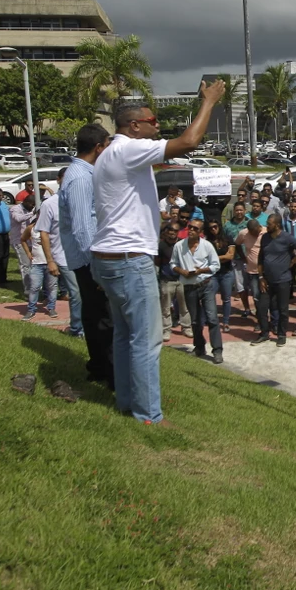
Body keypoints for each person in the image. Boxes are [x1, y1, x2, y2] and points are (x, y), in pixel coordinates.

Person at [90, 76, 225, 426]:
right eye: (153, 122)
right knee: (147, 341)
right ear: (134, 126)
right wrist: (208, 101)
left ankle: (125, 402)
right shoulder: (129, 149)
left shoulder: (108, 154)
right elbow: (190, 141)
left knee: (124, 334)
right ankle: (148, 416)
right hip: (129, 260)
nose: (158, 126)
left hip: (107, 258)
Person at [58, 122, 115, 387]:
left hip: (87, 259)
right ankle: (106, 372)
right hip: (88, 261)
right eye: (106, 147)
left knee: (95, 317)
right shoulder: (81, 178)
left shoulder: (82, 173)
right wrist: (97, 269)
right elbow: (83, 228)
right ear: (98, 147)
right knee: (102, 319)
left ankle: (99, 367)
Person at [36, 169, 83, 336]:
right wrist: (50, 260)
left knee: (88, 294)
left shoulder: (82, 200)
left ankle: (86, 326)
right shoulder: (49, 204)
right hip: (63, 257)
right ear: (58, 180)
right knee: (76, 293)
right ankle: (77, 329)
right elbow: (43, 233)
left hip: (84, 255)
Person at [171, 217, 223, 362]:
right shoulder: (179, 246)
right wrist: (182, 272)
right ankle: (199, 347)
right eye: (190, 227)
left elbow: (216, 265)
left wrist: (202, 271)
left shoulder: (207, 245)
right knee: (194, 320)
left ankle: (217, 350)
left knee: (212, 318)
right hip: (189, 287)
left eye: (195, 228)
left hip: (206, 285)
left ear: (201, 232)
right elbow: (172, 264)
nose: (191, 230)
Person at [254, 213, 296, 345]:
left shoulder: (287, 238)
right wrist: (260, 277)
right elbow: (260, 258)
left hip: (283, 280)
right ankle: (264, 333)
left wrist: (293, 261)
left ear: (276, 225)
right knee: (261, 308)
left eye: (269, 224)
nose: (266, 226)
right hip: (266, 281)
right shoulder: (265, 237)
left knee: (283, 310)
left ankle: (281, 335)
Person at [24, 187, 60, 322]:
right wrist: (28, 252)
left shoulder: (53, 228)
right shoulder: (32, 229)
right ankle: (31, 309)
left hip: (52, 262)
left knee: (52, 287)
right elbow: (23, 239)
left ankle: (51, 308)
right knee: (34, 287)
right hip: (37, 262)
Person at [205, 219, 237, 329]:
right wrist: (222, 258)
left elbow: (230, 256)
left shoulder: (228, 239)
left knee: (226, 298)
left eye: (215, 226)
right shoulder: (207, 241)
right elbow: (208, 259)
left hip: (227, 273)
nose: (213, 229)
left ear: (219, 226)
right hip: (213, 274)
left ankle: (226, 321)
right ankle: (212, 320)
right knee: (210, 297)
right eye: (210, 228)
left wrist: (215, 259)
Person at [9, 192, 39, 302]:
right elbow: (18, 219)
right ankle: (28, 291)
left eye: (34, 205)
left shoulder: (32, 209)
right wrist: (32, 214)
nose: (32, 207)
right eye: (31, 204)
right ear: (25, 202)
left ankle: (35, 287)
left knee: (34, 265)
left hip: (31, 241)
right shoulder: (15, 209)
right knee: (25, 264)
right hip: (18, 241)